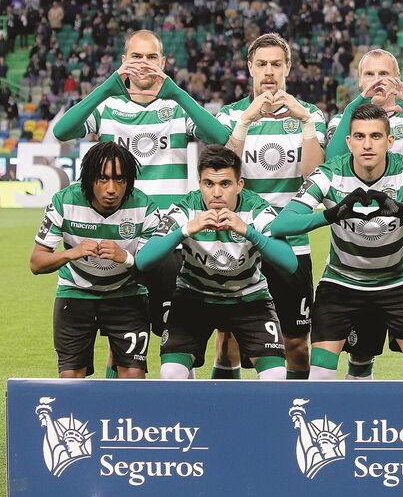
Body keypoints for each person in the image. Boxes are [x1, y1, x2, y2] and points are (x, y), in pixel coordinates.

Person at [52, 29, 230, 378]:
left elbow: (220, 138)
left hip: (167, 241)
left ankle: (178, 400)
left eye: (151, 57)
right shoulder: (108, 106)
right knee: (119, 339)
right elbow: (62, 131)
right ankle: (118, 405)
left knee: (175, 337)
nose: (144, 64)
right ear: (124, 62)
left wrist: (175, 91)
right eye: (136, 56)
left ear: (163, 62)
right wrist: (108, 86)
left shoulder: (176, 107)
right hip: (119, 236)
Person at [270, 104, 403, 380]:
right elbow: (280, 225)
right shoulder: (329, 174)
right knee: (321, 377)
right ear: (349, 141)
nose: (367, 144)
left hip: (398, 282)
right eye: (360, 136)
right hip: (340, 283)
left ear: (390, 141)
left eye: (376, 136)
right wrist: (330, 214)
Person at [213, 33, 326, 380]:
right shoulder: (230, 115)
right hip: (239, 243)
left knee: (296, 343)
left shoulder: (310, 114)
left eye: (276, 64)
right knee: (228, 340)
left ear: (288, 67)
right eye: (261, 64)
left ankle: (294, 409)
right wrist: (244, 122)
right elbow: (222, 173)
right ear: (250, 67)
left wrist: (306, 123)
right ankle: (223, 410)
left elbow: (314, 176)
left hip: (291, 245)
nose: (269, 72)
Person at [136, 145, 296, 381]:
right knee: (170, 373)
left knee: (276, 376)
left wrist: (248, 231)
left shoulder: (257, 209)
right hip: (194, 297)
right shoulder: (186, 208)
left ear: (239, 185)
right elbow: (143, 261)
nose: (217, 193)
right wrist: (186, 230)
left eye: (225, 184)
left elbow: (290, 262)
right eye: (208, 184)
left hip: (249, 298)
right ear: (199, 183)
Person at [326, 49, 403, 379]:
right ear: (359, 80)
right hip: (360, 261)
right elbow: (329, 168)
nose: (377, 81)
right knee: (360, 355)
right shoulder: (343, 123)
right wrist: (352, 109)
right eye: (369, 74)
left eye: (384, 74)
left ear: (398, 80)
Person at [29, 142, 160, 378]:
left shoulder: (145, 207)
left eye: (119, 179)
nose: (112, 189)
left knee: (133, 376)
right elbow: (36, 263)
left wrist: (126, 258)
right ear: (90, 178)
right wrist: (71, 253)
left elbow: (154, 271)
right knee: (71, 377)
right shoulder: (63, 201)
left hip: (127, 294)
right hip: (75, 293)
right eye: (103, 178)